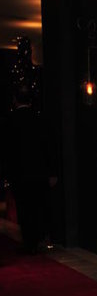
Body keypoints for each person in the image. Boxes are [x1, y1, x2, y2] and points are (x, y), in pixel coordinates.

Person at [2, 85, 57, 254]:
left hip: (19, 173)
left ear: (15, 100)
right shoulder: (39, 119)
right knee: (38, 205)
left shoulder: (10, 121)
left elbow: (7, 150)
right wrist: (51, 171)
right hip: (39, 171)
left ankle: (29, 241)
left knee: (24, 207)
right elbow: (48, 146)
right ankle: (39, 237)